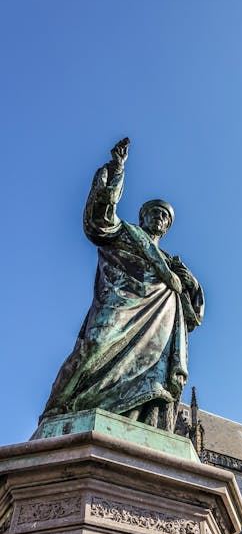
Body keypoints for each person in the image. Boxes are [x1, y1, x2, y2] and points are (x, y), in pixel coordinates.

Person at [41, 138, 204, 431]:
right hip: (120, 305)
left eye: (165, 216)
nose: (160, 218)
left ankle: (135, 426)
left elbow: (193, 313)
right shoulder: (124, 234)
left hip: (158, 327)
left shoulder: (172, 263)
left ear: (167, 227)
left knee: (151, 379)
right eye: (155, 213)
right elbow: (99, 222)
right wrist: (117, 171)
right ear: (143, 217)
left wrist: (188, 282)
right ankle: (58, 410)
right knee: (93, 346)